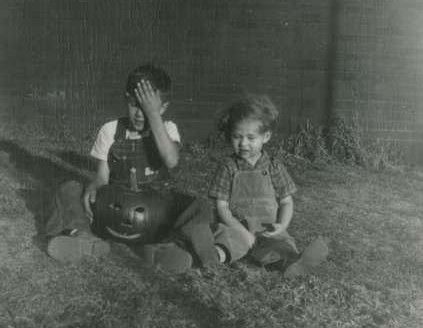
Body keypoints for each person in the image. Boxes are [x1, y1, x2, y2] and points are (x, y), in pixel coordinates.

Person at [45, 64, 218, 272]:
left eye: (148, 109)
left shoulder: (168, 129)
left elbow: (172, 160)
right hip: (113, 211)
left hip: (156, 218)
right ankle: (84, 238)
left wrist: (154, 117)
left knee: (200, 205)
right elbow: (102, 177)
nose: (139, 114)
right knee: (69, 188)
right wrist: (93, 187)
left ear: (162, 108)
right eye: (135, 105)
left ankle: (167, 249)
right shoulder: (110, 130)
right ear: (126, 98)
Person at [208, 95, 328, 275]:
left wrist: (282, 225)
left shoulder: (274, 166)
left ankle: (291, 263)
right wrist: (241, 231)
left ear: (266, 137)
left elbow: (287, 201)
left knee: (280, 244)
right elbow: (222, 207)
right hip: (236, 225)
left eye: (251, 137)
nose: (243, 144)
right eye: (237, 137)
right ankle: (212, 256)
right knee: (229, 239)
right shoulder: (228, 167)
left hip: (267, 228)